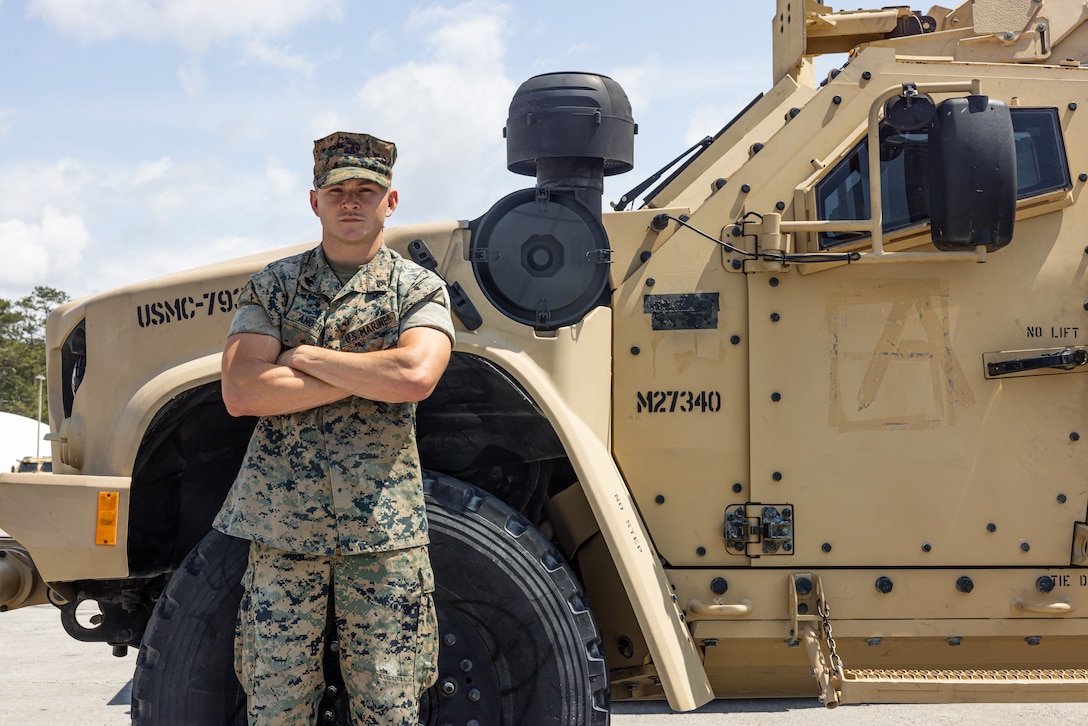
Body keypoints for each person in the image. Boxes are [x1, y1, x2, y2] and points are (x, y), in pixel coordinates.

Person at [213, 131, 455, 725]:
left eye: (366, 191)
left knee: (391, 708)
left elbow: (416, 375)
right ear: (314, 200)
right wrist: (373, 371)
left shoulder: (417, 287)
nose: (352, 201)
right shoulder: (275, 284)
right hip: (283, 531)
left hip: (383, 533)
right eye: (338, 190)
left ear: (389, 202)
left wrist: (303, 356)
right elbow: (242, 390)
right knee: (275, 708)